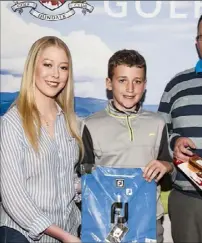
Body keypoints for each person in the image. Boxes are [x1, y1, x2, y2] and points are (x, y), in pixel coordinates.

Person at [79, 49, 176, 243]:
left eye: (137, 81)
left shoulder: (157, 123)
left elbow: (168, 173)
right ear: (109, 83)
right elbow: (83, 178)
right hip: (104, 224)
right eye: (122, 80)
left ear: (145, 85)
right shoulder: (90, 124)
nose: (130, 89)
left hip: (148, 222)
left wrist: (166, 166)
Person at [0, 36, 83, 243]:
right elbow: (13, 197)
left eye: (63, 68)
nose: (55, 74)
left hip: (67, 231)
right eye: (48, 65)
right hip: (22, 236)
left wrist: (101, 183)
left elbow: (64, 178)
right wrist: (64, 236)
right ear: (33, 68)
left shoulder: (69, 122)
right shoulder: (13, 123)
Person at [158, 15, 202, 243]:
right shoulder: (176, 85)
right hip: (187, 201)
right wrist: (174, 142)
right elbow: (159, 131)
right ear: (197, 43)